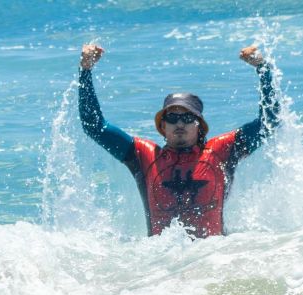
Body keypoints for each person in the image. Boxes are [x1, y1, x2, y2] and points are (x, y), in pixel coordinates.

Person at [78, 43, 280, 238]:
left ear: (199, 125)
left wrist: (263, 69)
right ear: (162, 126)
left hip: (216, 255)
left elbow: (270, 120)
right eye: (172, 118)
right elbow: (94, 127)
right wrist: (85, 71)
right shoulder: (143, 156)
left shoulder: (222, 151)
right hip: (165, 260)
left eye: (188, 118)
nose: (180, 123)